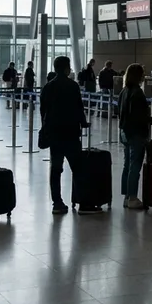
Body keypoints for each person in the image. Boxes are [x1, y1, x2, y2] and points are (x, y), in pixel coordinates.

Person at [39, 56, 95, 215]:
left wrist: (46, 128)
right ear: (66, 68)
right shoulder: (72, 86)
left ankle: (57, 202)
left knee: (56, 169)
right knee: (78, 168)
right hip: (70, 132)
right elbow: (79, 108)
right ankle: (83, 203)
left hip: (54, 134)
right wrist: (83, 123)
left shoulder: (48, 87)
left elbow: (43, 111)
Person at [118, 63, 152, 210]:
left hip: (124, 131)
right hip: (136, 133)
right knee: (135, 165)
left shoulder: (124, 91)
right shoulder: (137, 93)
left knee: (127, 165)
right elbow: (139, 115)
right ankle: (132, 196)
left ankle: (126, 196)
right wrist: (149, 120)